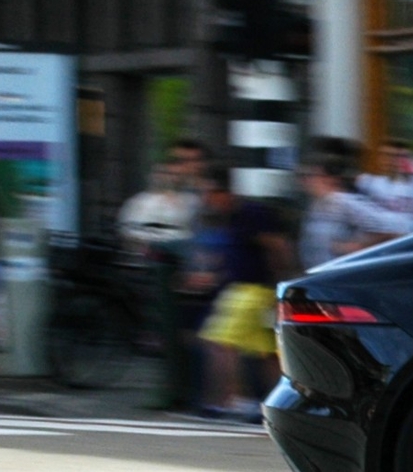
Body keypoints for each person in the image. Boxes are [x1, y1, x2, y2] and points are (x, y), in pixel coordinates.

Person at [189, 164, 293, 422]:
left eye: (208, 194)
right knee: (267, 353)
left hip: (250, 291)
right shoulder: (235, 215)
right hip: (248, 290)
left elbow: (277, 247)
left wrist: (278, 284)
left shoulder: (249, 213)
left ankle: (231, 401)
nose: (206, 201)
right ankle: (279, 404)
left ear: (220, 192)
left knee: (219, 343)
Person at [118, 139, 208, 409]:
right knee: (169, 334)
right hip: (161, 268)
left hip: (188, 269)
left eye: (187, 163)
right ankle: (174, 390)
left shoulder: (195, 198)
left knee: (189, 333)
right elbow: (131, 230)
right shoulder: (148, 201)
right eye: (176, 165)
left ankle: (188, 391)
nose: (178, 172)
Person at [299, 156, 382, 269]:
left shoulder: (345, 202)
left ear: (329, 179)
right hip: (317, 275)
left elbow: (387, 231)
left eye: (311, 176)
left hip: (339, 276)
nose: (306, 181)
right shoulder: (316, 204)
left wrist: (352, 247)